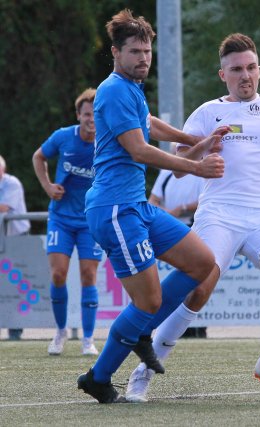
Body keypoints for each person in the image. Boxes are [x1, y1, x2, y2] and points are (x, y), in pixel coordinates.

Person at [125, 32, 260, 402]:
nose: (245, 75)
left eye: (251, 67)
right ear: (223, 75)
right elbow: (177, 168)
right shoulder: (207, 112)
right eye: (236, 69)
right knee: (197, 289)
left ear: (259, 69)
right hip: (219, 216)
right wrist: (203, 155)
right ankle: (143, 370)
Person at [76, 9, 227, 404]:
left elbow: (150, 125)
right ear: (115, 52)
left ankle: (138, 330)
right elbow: (139, 148)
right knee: (149, 301)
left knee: (202, 264)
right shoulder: (111, 89)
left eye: (147, 51)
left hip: (136, 206)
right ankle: (99, 376)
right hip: (115, 210)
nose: (144, 58)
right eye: (135, 51)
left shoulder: (132, 89)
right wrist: (196, 164)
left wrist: (194, 136)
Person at [32, 88, 102, 356]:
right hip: (61, 218)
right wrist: (48, 186)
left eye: (95, 113)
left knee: (89, 276)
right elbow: (38, 156)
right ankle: (60, 332)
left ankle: (88, 339)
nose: (91, 119)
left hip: (89, 220)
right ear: (78, 115)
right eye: (86, 114)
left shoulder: (107, 141)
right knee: (58, 274)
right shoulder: (64, 137)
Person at [149, 162, 208, 339]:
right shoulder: (166, 169)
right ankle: (160, 325)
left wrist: (181, 209)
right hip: (167, 230)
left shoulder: (201, 167)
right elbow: (152, 200)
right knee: (182, 277)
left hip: (194, 226)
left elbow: (209, 200)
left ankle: (195, 326)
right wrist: (164, 214)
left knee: (197, 277)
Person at [0, 155, 31, 340]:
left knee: (16, 282)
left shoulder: (12, 183)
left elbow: (4, 207)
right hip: (2, 238)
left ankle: (15, 329)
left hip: (17, 239)